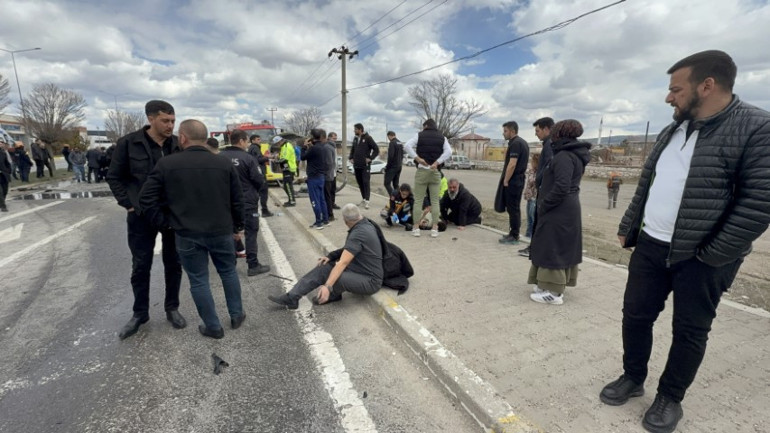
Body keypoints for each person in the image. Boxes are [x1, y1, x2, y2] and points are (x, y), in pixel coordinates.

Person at [600, 50, 770, 433]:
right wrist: (630, 226)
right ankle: (633, 377)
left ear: (706, 85)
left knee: (690, 330)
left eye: (676, 88)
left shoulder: (758, 127)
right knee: (636, 315)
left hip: (705, 257)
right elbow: (648, 183)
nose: (668, 97)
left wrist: (713, 254)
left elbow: (759, 202)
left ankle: (669, 398)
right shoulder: (675, 127)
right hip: (651, 245)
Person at [139, 119, 246, 339]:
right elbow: (237, 199)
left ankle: (213, 326)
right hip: (221, 230)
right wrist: (238, 227)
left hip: (187, 233)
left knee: (198, 279)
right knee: (228, 272)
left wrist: (166, 223)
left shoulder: (167, 164)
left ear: (183, 138)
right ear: (206, 138)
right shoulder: (223, 163)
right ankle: (237, 315)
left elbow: (146, 198)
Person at [106, 100, 185, 340]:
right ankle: (140, 313)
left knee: (174, 263)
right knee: (141, 266)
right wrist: (128, 204)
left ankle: (172, 308)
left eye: (173, 120)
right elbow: (114, 176)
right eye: (165, 120)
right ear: (151, 118)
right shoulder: (129, 143)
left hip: (170, 215)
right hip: (140, 216)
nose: (171, 125)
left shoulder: (176, 145)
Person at [268, 204, 384, 309]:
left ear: (345, 221)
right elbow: (349, 250)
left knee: (335, 275)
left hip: (370, 280)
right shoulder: (363, 223)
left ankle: (332, 294)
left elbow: (342, 263)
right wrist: (330, 256)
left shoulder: (359, 233)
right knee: (324, 267)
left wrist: (327, 286)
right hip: (359, 268)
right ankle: (292, 297)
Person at [527, 119, 591, 305]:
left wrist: (544, 204)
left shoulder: (564, 156)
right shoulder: (573, 154)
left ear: (560, 134)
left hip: (559, 209)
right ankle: (546, 284)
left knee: (553, 246)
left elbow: (562, 186)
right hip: (565, 208)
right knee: (554, 244)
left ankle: (554, 293)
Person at [220, 129, 270, 276]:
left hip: (225, 202)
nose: (247, 144)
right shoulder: (248, 158)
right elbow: (259, 179)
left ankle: (230, 264)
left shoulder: (219, 157)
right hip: (247, 202)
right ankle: (253, 265)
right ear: (241, 141)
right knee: (250, 232)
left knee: (229, 232)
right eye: (246, 141)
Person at [404, 118, 452, 238]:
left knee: (418, 200)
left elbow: (407, 146)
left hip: (422, 171)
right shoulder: (442, 137)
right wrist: (437, 162)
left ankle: (416, 228)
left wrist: (418, 159)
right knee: (435, 201)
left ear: (425, 126)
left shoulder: (419, 135)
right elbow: (449, 151)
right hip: (435, 171)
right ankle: (435, 229)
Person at [519, 117, 555, 257]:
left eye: (538, 130)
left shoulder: (550, 146)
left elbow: (548, 168)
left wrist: (540, 181)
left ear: (547, 129)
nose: (536, 134)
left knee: (539, 221)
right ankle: (535, 247)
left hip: (544, 191)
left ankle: (536, 249)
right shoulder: (548, 144)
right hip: (542, 190)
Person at [494, 121, 529, 245]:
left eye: (505, 131)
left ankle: (514, 236)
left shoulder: (516, 144)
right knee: (513, 208)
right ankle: (513, 233)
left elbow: (512, 164)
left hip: (513, 181)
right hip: (517, 180)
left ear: (512, 131)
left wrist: (506, 180)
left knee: (513, 208)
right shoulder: (522, 142)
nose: (503, 133)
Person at [301, 129, 330, 229]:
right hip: (321, 177)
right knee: (322, 200)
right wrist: (310, 146)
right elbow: (313, 156)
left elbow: (303, 157)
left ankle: (319, 222)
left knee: (315, 201)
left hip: (313, 178)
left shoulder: (313, 149)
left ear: (313, 137)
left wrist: (304, 146)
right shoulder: (322, 147)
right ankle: (325, 219)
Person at [348, 123, 379, 209]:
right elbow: (353, 149)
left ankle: (367, 201)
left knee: (366, 182)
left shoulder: (368, 138)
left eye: (355, 129)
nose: (354, 131)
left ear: (360, 129)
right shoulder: (355, 139)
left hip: (365, 165)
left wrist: (370, 158)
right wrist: (351, 157)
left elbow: (376, 149)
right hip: (356, 165)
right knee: (360, 183)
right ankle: (364, 199)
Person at [248, 134, 273, 217]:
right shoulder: (255, 148)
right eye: (258, 139)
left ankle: (257, 210)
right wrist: (267, 157)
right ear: (253, 141)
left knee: (258, 193)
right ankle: (264, 211)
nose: (260, 141)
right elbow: (258, 159)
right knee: (263, 192)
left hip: (256, 173)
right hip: (259, 174)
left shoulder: (253, 148)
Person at [522, 153, 541, 244]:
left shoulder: (539, 172)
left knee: (533, 218)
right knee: (529, 218)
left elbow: (534, 182)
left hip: (534, 197)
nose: (531, 163)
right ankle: (528, 235)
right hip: (529, 196)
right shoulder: (531, 171)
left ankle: (534, 237)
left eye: (532, 161)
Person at [274, 136, 297, 207]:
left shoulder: (287, 146)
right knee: (286, 185)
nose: (277, 145)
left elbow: (284, 159)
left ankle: (292, 201)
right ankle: (291, 200)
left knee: (287, 185)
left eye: (277, 143)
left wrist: (276, 161)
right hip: (286, 168)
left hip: (289, 168)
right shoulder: (284, 146)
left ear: (280, 141)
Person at [321, 131, 337, 221]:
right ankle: (329, 214)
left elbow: (331, 162)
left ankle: (330, 213)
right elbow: (330, 163)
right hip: (330, 174)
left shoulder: (329, 147)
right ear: (328, 138)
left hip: (330, 174)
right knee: (328, 194)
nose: (335, 140)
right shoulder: (329, 147)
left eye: (335, 138)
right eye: (334, 138)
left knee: (329, 194)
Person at [384, 131, 403, 196]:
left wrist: (387, 166)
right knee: (395, 184)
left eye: (388, 137)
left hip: (392, 167)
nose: (388, 138)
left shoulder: (392, 143)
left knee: (386, 183)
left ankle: (394, 198)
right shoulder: (400, 142)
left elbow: (390, 156)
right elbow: (402, 155)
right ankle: (399, 199)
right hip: (399, 166)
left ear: (389, 136)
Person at [0, 137, 12, 212]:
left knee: (5, 190)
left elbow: (7, 163)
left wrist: (8, 171)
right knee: (0, 192)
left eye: (1, 142)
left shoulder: (3, 153)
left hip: (4, 175)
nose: (1, 144)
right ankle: (3, 206)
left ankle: (2, 201)